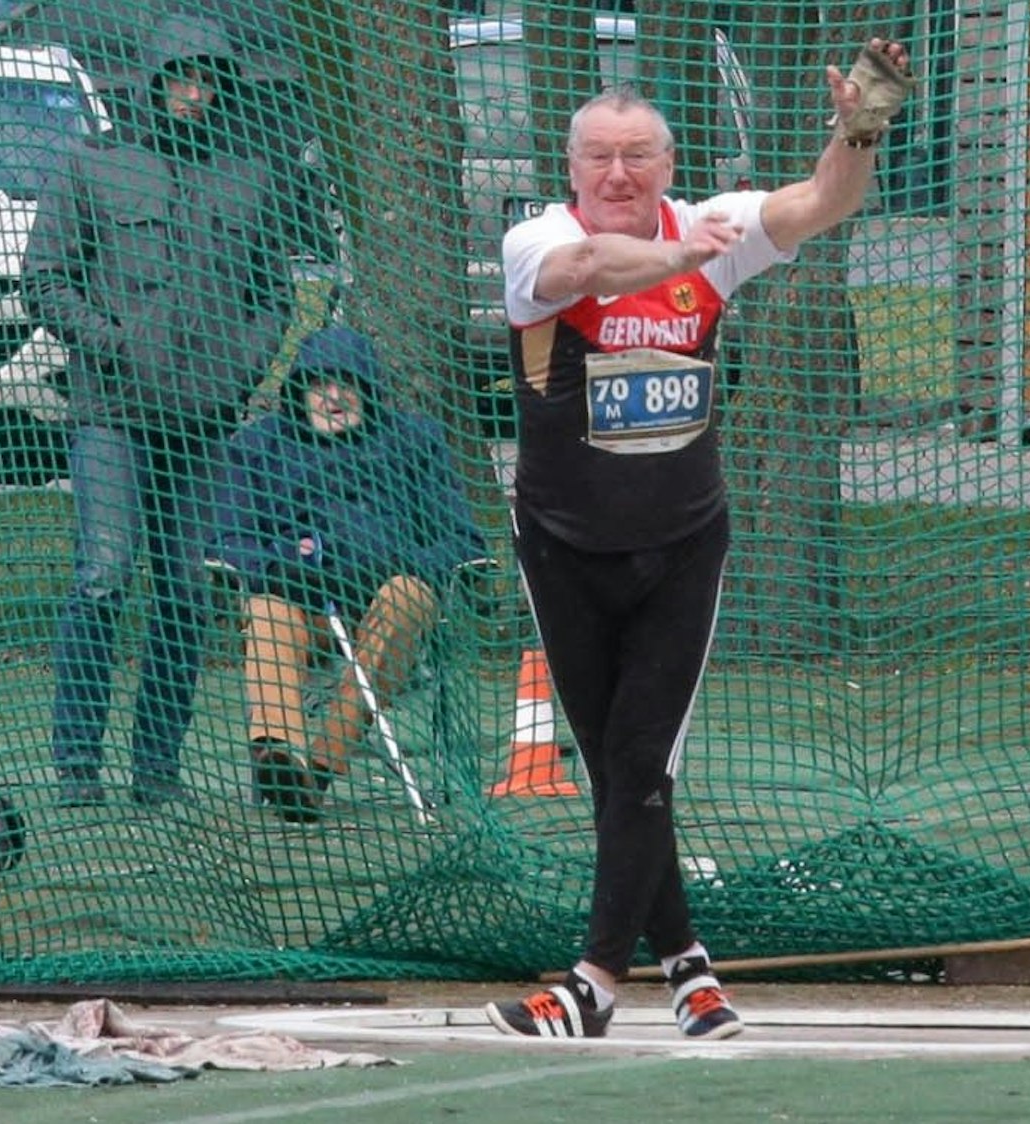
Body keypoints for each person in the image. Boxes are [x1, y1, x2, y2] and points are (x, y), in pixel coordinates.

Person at [484, 40, 915, 1039]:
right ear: (571, 168)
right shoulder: (535, 238)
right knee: (615, 774)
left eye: (638, 155)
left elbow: (818, 203)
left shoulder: (712, 225)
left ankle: (591, 983)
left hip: (680, 547)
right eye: (600, 156)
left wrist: (856, 131)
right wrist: (678, 259)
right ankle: (689, 969)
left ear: (670, 167)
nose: (619, 173)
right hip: (560, 543)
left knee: (638, 761)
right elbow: (584, 266)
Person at [22, 11, 297, 808]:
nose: (193, 92)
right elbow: (42, 278)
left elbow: (273, 295)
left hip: (206, 421)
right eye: (180, 77)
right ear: (149, 84)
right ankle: (78, 765)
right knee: (104, 575)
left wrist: (239, 369)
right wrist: (108, 339)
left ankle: (156, 769)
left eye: (207, 79)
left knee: (185, 588)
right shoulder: (90, 165)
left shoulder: (251, 176)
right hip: (110, 412)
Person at [209, 326, 487, 822]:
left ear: (369, 388)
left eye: (347, 383)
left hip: (386, 607)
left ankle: (316, 768)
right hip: (302, 603)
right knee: (267, 609)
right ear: (298, 389)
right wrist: (281, 560)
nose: (333, 397)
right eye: (318, 383)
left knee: (407, 596)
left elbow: (463, 542)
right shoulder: (258, 445)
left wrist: (400, 560)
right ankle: (277, 751)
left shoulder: (414, 440)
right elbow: (226, 542)